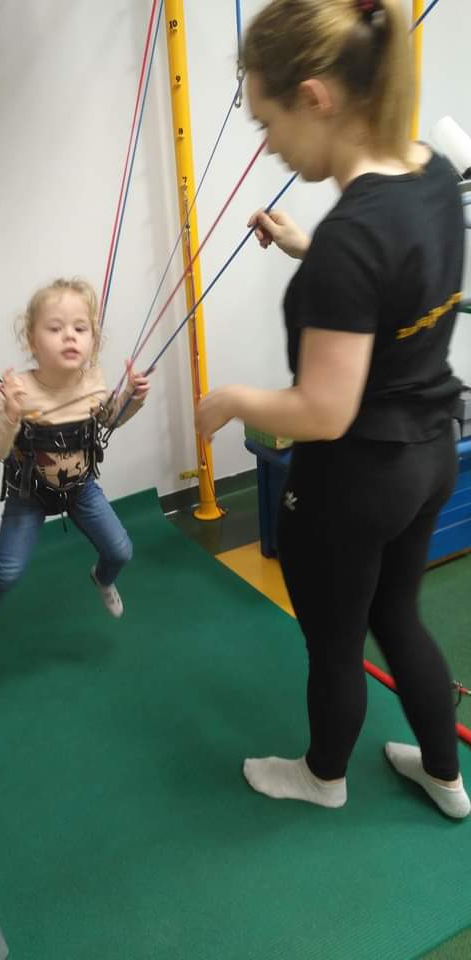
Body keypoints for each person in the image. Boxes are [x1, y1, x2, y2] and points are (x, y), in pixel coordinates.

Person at [196, 0, 470, 818]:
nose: (268, 145)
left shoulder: (352, 239)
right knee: (399, 614)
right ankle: (445, 777)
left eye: (267, 122)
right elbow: (397, 284)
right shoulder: (433, 174)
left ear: (315, 98)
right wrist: (308, 249)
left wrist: (228, 401)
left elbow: (321, 409)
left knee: (336, 643)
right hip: (430, 453)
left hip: (356, 481)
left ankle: (322, 778)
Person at [0, 278, 151, 672]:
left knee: (120, 551)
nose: (69, 336)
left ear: (93, 339)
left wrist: (131, 397)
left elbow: (110, 419)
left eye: (80, 328)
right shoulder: (19, 390)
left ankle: (101, 578)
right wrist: (9, 417)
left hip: (80, 487)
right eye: (55, 328)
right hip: (29, 495)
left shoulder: (94, 380)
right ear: (32, 341)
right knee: (7, 570)